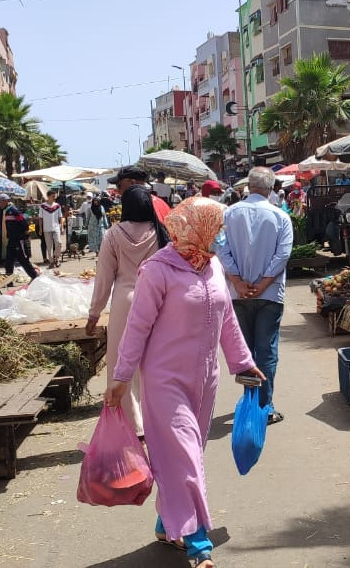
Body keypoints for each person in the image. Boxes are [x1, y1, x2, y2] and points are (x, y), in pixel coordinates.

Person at [104, 197, 265, 568]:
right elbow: (137, 328)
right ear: (198, 227)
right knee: (186, 458)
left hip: (204, 381)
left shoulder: (213, 266)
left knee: (183, 457)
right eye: (217, 228)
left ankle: (167, 522)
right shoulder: (156, 271)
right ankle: (197, 543)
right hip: (164, 381)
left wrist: (243, 363)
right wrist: (121, 377)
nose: (221, 236)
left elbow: (227, 322)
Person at [88, 186, 170, 436]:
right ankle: (157, 419)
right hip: (157, 299)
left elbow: (103, 278)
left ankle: (133, 424)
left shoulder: (113, 235)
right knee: (155, 361)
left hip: (124, 301)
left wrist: (94, 313)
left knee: (122, 363)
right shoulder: (161, 232)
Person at [216, 167, 293, 425]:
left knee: (245, 352)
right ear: (271, 189)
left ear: (248, 187)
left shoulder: (228, 214)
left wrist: (237, 280)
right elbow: (282, 255)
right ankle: (264, 406)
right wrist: (263, 284)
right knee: (266, 350)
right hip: (269, 295)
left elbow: (220, 248)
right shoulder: (280, 217)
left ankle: (251, 400)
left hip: (238, 295)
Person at [0, 194, 39, 279]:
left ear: (5, 201)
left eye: (1, 202)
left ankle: (35, 276)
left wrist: (26, 234)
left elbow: (23, 223)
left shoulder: (14, 211)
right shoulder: (5, 211)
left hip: (19, 240)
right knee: (9, 261)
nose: (0, 204)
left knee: (23, 260)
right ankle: (9, 280)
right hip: (11, 240)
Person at [38, 190, 64, 268]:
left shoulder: (57, 206)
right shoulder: (43, 206)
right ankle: (51, 262)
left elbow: (60, 217)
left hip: (56, 228)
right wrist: (40, 228)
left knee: (59, 243)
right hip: (46, 229)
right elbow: (40, 218)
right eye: (53, 196)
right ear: (48, 196)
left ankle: (57, 258)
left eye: (55, 196)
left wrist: (62, 227)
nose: (54, 197)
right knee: (49, 246)